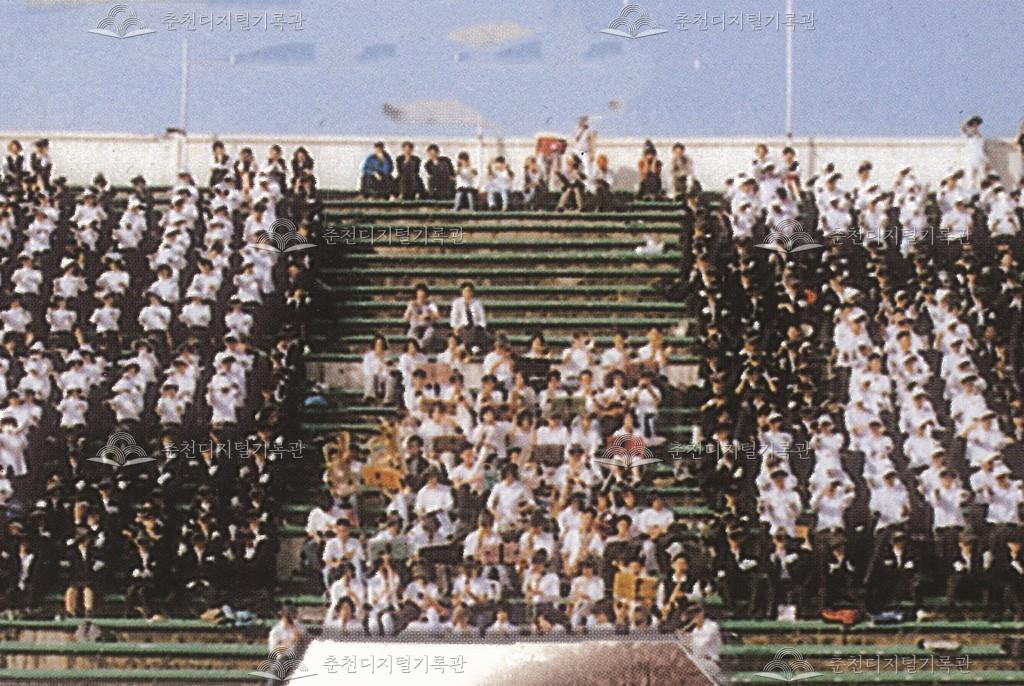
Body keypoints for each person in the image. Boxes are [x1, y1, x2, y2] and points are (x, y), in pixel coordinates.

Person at [449, 282, 488, 354]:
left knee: (476, 331)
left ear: (472, 292)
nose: (467, 293)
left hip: (475, 328)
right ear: (462, 291)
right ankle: (472, 349)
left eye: (469, 291)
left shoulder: (477, 303)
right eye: (465, 291)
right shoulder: (457, 303)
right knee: (466, 331)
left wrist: (480, 326)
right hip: (462, 328)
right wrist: (456, 327)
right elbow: (453, 319)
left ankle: (467, 348)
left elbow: (482, 319)